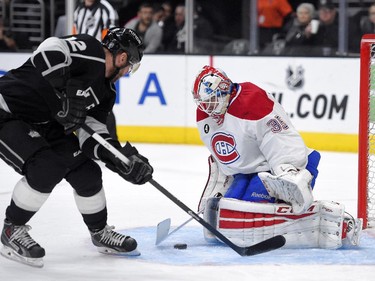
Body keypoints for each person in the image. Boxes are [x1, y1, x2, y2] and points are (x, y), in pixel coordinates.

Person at [0, 27, 153, 268]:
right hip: (7, 110)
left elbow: (91, 134)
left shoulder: (106, 94)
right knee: (46, 167)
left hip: (45, 122)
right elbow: (50, 47)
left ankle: (100, 232)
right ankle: (12, 230)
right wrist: (62, 91)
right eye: (129, 67)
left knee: (88, 173)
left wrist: (119, 159)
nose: (125, 73)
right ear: (123, 58)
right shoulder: (90, 50)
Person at [191, 65, 362, 249]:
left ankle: (332, 222)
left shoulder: (252, 102)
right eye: (204, 103)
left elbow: (283, 141)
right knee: (227, 214)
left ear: (225, 89)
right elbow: (224, 154)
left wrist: (289, 173)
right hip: (247, 173)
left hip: (276, 170)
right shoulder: (206, 114)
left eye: (211, 101)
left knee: (248, 217)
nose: (208, 108)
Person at [73, 0, 119, 140]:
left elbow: (111, 40)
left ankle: (111, 142)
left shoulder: (106, 9)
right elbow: (74, 35)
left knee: (102, 102)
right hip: (80, 62)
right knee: (77, 101)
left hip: (99, 63)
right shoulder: (78, 10)